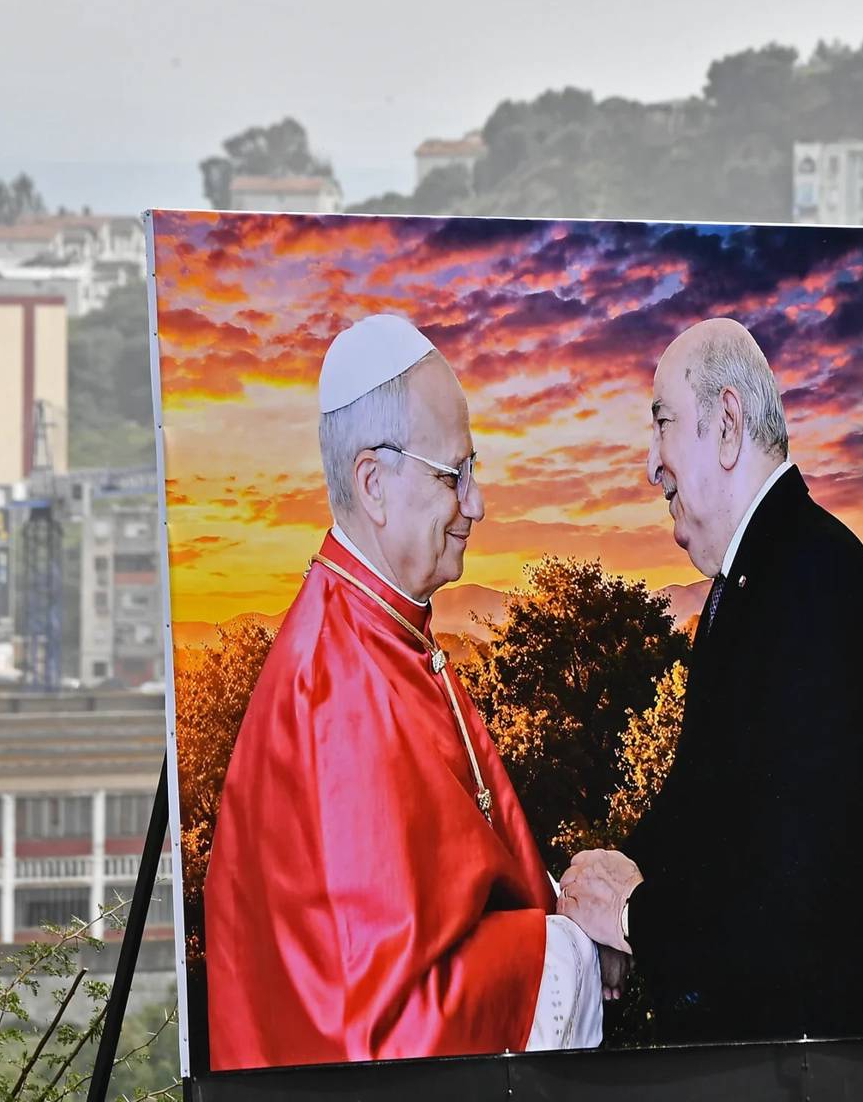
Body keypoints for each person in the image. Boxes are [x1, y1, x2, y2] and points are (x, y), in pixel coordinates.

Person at [202, 314, 621, 1070]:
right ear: (374, 484)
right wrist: (574, 949)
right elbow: (394, 1029)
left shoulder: (384, 634)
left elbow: (446, 889)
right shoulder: (339, 689)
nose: (477, 503)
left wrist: (560, 896)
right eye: (452, 473)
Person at [556, 317, 863, 1042]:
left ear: (725, 425)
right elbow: (703, 800)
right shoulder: (752, 579)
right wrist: (616, 879)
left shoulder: (815, 583)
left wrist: (633, 919)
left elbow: (804, 884)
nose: (651, 464)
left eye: (661, 424)